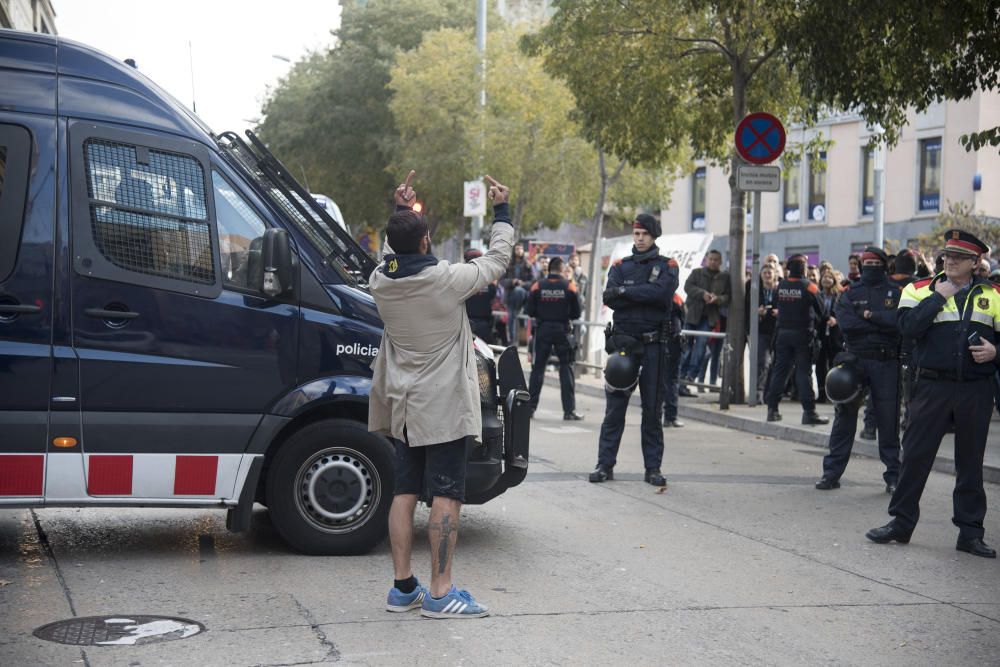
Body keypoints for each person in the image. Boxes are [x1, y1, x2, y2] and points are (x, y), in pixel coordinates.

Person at [370, 171, 514, 618]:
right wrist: (502, 211)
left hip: (404, 406)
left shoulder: (380, 281)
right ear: (428, 241)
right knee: (447, 495)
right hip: (445, 407)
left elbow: (392, 254)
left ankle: (401, 588)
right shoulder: (448, 279)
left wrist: (400, 210)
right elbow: (497, 259)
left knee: (404, 493)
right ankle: (440, 591)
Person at [866, 230, 997, 558]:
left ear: (975, 262)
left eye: (958, 257)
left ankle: (970, 532)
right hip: (931, 387)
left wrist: (996, 352)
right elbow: (907, 329)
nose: (949, 260)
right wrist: (939, 296)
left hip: (975, 389)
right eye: (947, 254)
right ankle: (901, 522)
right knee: (915, 456)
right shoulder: (918, 288)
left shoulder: (994, 294)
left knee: (970, 463)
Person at [590, 214, 679, 487]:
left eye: (644, 234)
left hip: (654, 346)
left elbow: (662, 295)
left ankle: (653, 468)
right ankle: (605, 464)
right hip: (624, 346)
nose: (639, 238)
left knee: (652, 410)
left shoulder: (668, 265)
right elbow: (609, 297)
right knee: (614, 410)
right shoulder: (620, 266)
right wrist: (641, 292)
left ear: (653, 236)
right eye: (636, 233)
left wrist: (626, 293)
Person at [816, 248, 901, 492]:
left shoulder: (896, 293)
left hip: (886, 363)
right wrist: (879, 322)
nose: (872, 266)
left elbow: (898, 323)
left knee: (888, 420)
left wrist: (869, 316)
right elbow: (847, 325)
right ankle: (831, 474)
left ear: (885, 266)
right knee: (844, 418)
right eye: (868, 262)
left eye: (877, 262)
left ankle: (893, 477)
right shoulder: (850, 292)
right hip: (855, 361)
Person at [763, 254, 831, 425]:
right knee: (803, 373)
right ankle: (809, 412)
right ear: (804, 268)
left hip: (783, 334)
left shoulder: (781, 286)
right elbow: (822, 311)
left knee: (779, 372)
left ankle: (772, 410)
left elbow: (777, 304)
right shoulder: (810, 287)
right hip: (803, 335)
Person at [526, 256, 583, 420]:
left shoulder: (538, 285)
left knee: (538, 369)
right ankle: (569, 411)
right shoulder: (569, 286)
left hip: (543, 330)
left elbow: (530, 310)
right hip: (562, 331)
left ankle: (530, 409)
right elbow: (577, 312)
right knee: (566, 368)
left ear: (549, 268)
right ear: (561, 268)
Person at [680, 249, 730, 385]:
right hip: (692, 314)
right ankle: (681, 374)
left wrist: (717, 299)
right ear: (706, 260)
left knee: (701, 347)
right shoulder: (697, 273)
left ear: (720, 261)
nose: (713, 262)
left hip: (709, 317)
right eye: (711, 259)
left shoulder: (724, 277)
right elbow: (687, 287)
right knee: (686, 346)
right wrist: (702, 294)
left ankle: (691, 375)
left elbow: (727, 296)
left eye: (716, 259)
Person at [747, 264, 780, 402]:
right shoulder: (755, 290)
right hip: (761, 330)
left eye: (769, 273)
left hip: (777, 330)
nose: (767, 275)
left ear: (775, 275)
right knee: (762, 361)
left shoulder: (780, 290)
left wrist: (780, 312)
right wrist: (757, 312)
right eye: (764, 273)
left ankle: (770, 393)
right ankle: (758, 392)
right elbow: (747, 308)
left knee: (777, 363)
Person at [814, 271, 844, 403]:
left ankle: (834, 393)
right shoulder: (817, 295)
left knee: (834, 365)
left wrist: (836, 320)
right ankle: (821, 394)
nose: (826, 279)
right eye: (824, 277)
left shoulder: (839, 296)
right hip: (821, 335)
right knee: (820, 366)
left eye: (829, 277)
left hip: (835, 336)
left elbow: (844, 313)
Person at [501, 243, 535, 345]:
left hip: (523, 294)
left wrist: (522, 284)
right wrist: (512, 282)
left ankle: (519, 310)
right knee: (511, 317)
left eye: (521, 248)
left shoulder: (528, 265)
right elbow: (502, 281)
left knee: (519, 291)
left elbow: (533, 281)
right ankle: (512, 340)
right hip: (510, 296)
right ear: (514, 250)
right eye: (517, 249)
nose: (519, 250)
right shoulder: (508, 264)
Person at [662, 292, 686, 427]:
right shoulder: (675, 298)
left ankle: (664, 416)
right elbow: (682, 317)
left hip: (664, 342)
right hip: (672, 341)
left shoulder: (652, 295)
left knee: (662, 381)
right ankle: (670, 416)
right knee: (671, 380)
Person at [463, 248, 497, 344]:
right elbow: (493, 295)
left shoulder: (461, 279)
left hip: (467, 325)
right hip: (482, 325)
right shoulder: (488, 280)